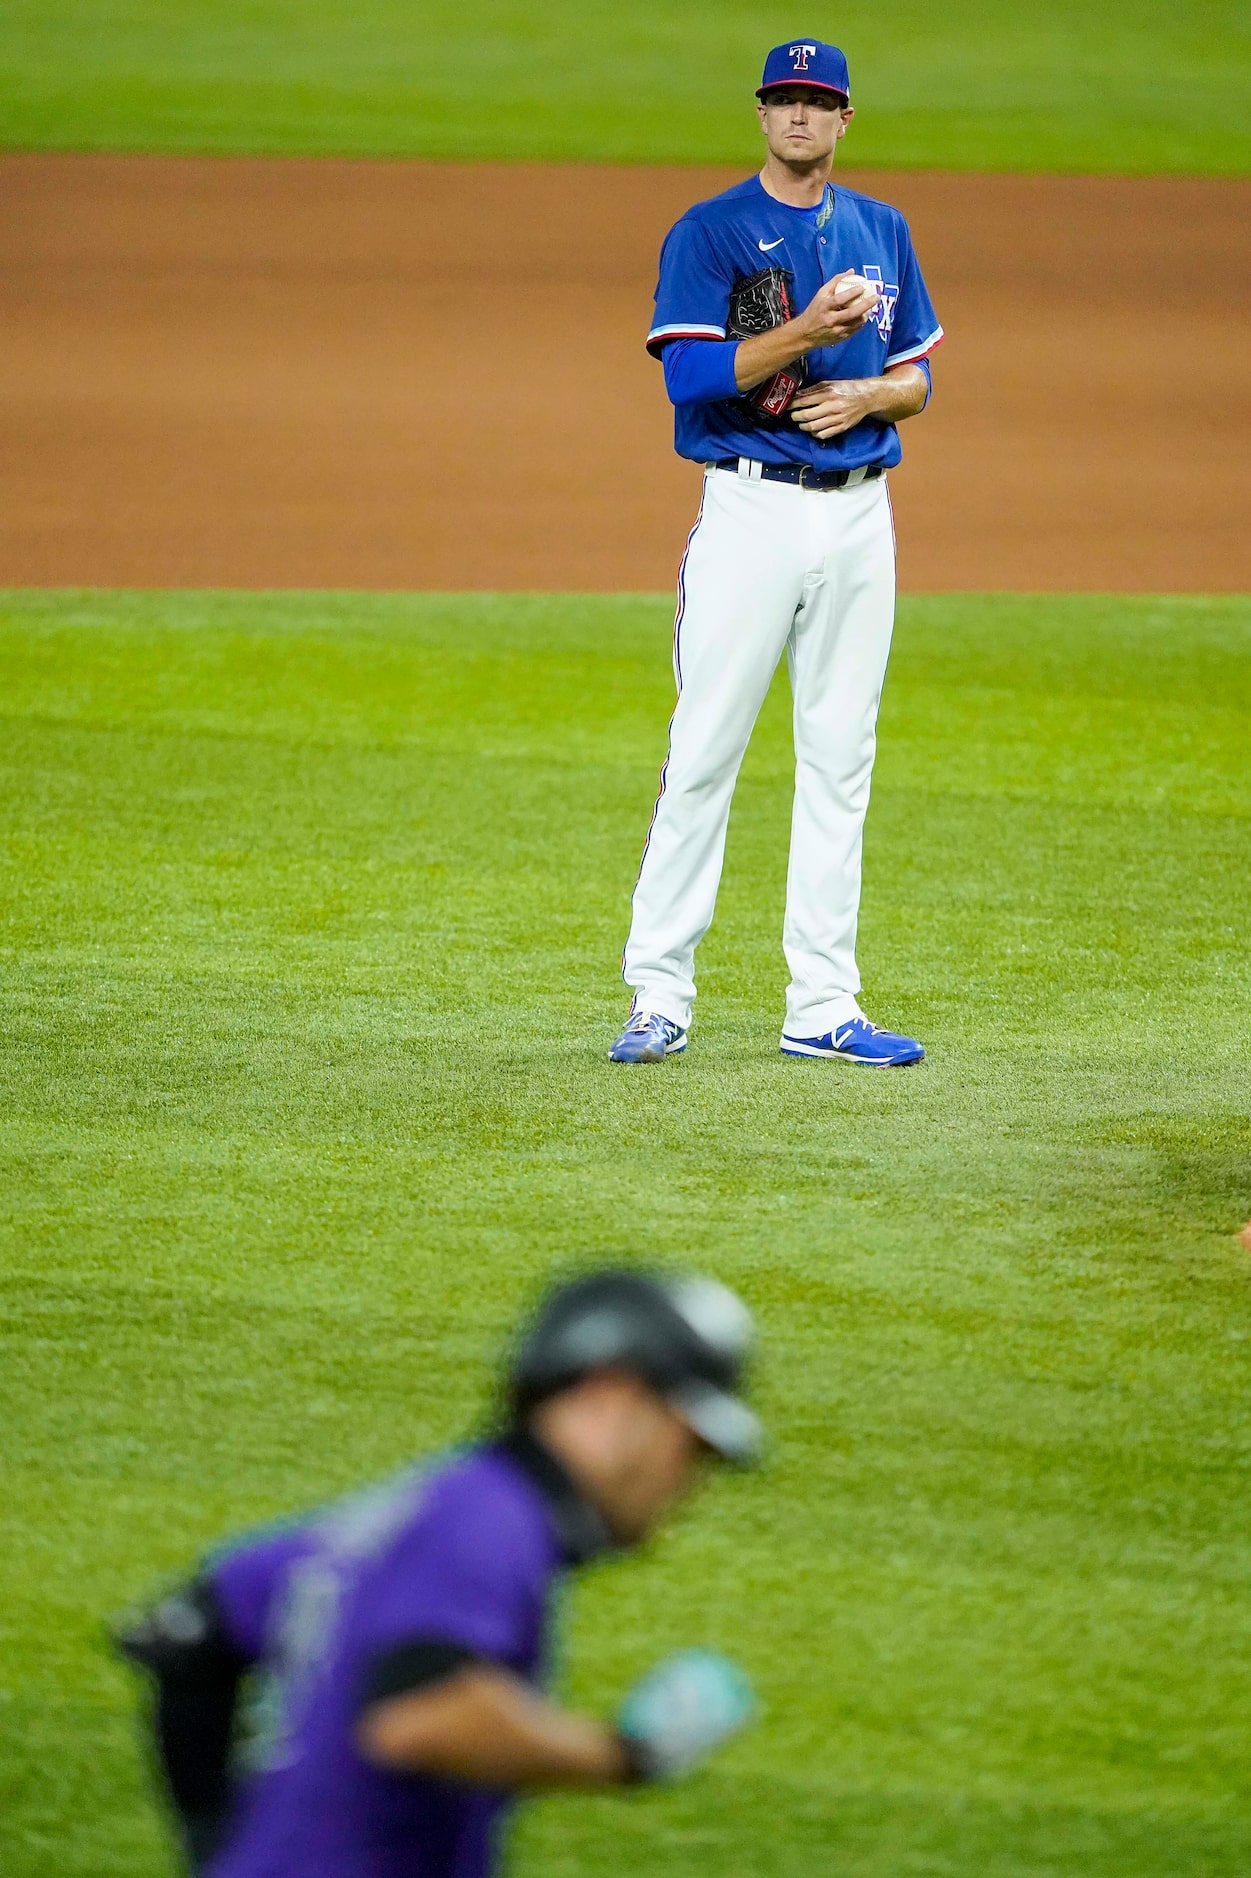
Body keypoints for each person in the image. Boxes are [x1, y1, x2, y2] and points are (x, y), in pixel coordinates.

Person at [117, 1270, 760, 1877]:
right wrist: (623, 1756)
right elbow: (421, 1717)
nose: (690, 1481)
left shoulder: (423, 1504)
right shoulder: (491, 1521)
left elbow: (187, 1631)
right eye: (691, 1444)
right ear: (610, 1397)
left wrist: (222, 1846)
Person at [610, 39, 943, 1069]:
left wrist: (872, 394)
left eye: (819, 101)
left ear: (846, 120)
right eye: (784, 99)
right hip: (751, 516)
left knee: (842, 762)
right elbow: (690, 382)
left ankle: (823, 1007)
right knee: (705, 751)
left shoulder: (884, 230)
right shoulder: (709, 233)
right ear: (761, 115)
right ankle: (659, 995)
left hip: (859, 519)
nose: (800, 115)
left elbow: (919, 377)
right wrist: (805, 331)